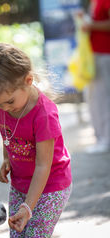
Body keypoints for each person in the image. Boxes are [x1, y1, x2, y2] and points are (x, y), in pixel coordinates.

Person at [0, 43, 72, 238]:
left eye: (9, 102)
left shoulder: (44, 116)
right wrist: (6, 158)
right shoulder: (4, 105)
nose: (4, 108)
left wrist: (27, 208)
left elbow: (43, 166)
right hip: (20, 184)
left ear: (28, 80)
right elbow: (7, 134)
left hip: (51, 185)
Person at [81, 0, 110, 154]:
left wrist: (91, 25)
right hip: (93, 56)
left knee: (102, 99)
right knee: (94, 98)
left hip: (104, 54)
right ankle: (101, 138)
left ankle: (105, 140)